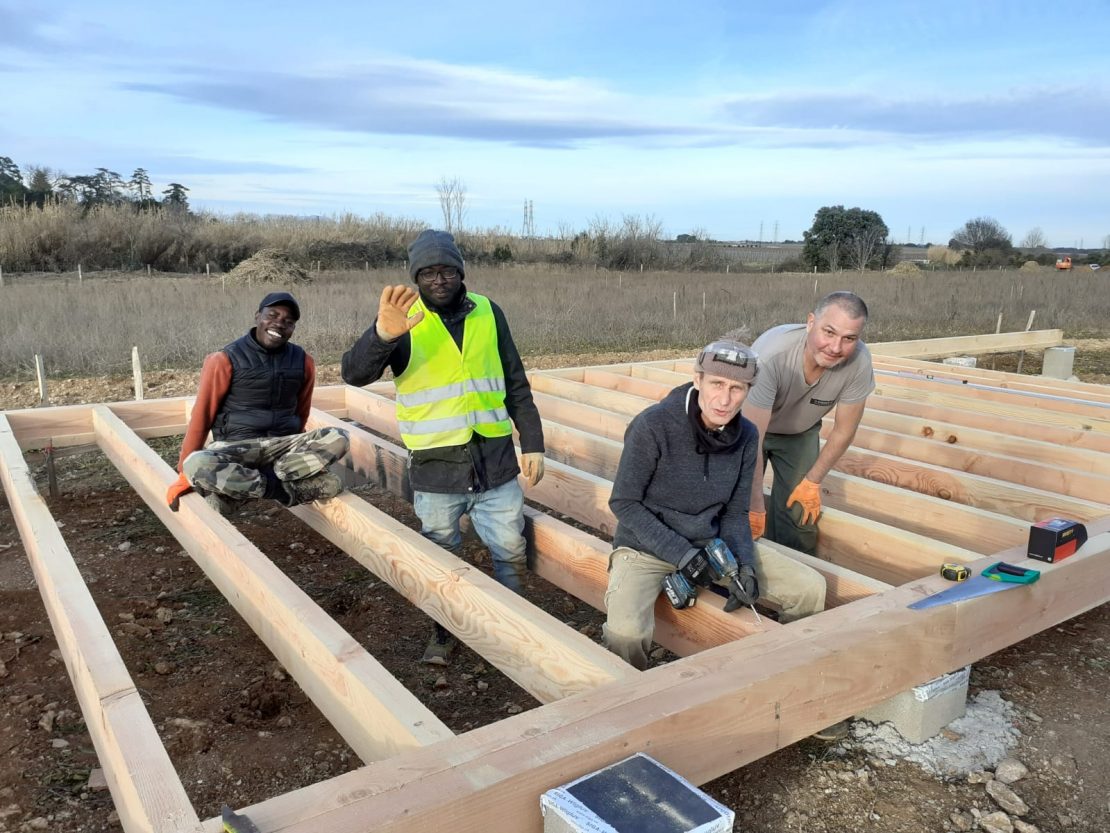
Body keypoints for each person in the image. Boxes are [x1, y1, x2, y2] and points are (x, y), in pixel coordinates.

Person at [341, 230, 545, 665]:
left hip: (495, 463)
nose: (439, 279)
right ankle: (445, 631)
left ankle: (514, 630)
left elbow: (515, 382)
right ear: (416, 277)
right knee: (440, 555)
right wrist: (381, 335)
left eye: (447, 270)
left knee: (510, 550)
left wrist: (533, 441)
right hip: (437, 469)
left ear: (460, 272)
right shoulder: (404, 320)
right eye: (428, 272)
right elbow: (354, 375)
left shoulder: (489, 312)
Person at [602, 339, 826, 673]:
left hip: (711, 543)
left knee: (810, 588)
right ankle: (625, 708)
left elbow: (735, 512)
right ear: (698, 380)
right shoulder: (653, 426)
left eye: (737, 388)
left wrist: (745, 565)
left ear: (749, 390)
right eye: (717, 384)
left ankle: (791, 677)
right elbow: (625, 503)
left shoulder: (747, 435)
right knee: (626, 633)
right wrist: (683, 556)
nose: (724, 399)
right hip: (644, 546)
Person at [165, 291, 350, 516]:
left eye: (288, 321)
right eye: (272, 315)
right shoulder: (225, 359)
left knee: (339, 437)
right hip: (237, 448)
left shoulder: (303, 361)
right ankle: (277, 489)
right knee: (196, 464)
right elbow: (202, 416)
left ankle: (242, 489)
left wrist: (299, 455)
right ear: (257, 317)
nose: (279, 324)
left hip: (282, 447)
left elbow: (301, 412)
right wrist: (184, 473)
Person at [743, 291, 874, 556]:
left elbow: (844, 431)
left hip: (797, 433)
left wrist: (813, 481)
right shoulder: (772, 356)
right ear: (811, 322)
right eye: (829, 332)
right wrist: (756, 503)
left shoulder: (858, 362)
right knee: (740, 506)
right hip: (748, 429)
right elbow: (751, 438)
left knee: (799, 513)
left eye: (849, 338)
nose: (836, 347)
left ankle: (795, 571)